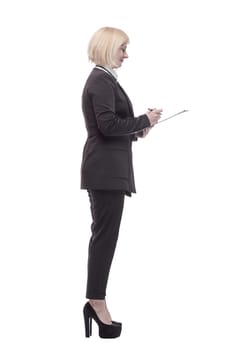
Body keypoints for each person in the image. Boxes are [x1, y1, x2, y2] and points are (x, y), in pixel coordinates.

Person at [80, 26, 162, 338]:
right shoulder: (100, 80)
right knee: (104, 239)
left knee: (105, 238)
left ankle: (95, 300)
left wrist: (141, 129)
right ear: (108, 47)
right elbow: (108, 125)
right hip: (104, 172)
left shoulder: (105, 79)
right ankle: (96, 301)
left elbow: (113, 128)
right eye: (122, 48)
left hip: (108, 170)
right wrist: (143, 120)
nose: (126, 55)